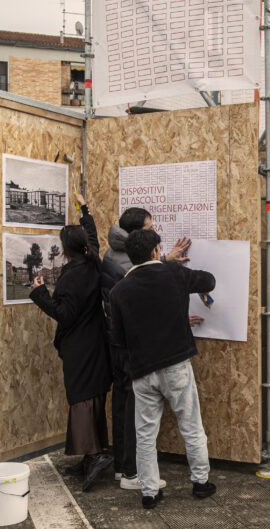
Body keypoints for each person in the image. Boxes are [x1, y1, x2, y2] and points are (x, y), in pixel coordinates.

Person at [109, 228, 216, 509]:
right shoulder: (174, 274)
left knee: (145, 434)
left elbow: (117, 339)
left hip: (142, 370)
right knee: (191, 425)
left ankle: (150, 492)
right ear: (157, 250)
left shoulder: (119, 290)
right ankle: (201, 483)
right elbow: (209, 280)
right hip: (176, 365)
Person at [30, 191, 114, 491]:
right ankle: (94, 452)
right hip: (96, 341)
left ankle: (93, 455)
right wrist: (83, 207)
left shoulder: (72, 276)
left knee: (80, 398)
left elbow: (63, 314)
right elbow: (92, 236)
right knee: (92, 396)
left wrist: (40, 293)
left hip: (79, 345)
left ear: (65, 248)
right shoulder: (92, 263)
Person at [101, 206, 190, 490]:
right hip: (130, 341)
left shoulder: (114, 248)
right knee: (132, 408)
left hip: (119, 337)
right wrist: (166, 262)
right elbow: (139, 279)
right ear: (138, 232)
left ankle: (122, 467)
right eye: (150, 228)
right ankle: (130, 473)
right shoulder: (125, 256)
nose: (154, 231)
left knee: (123, 401)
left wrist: (163, 258)